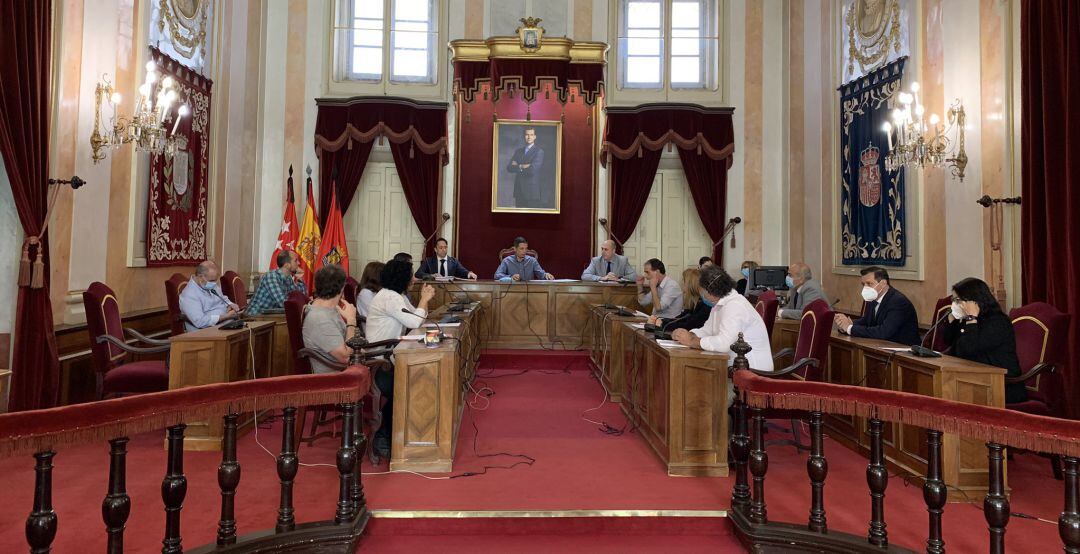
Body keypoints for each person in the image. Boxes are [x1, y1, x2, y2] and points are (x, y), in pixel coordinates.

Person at [365, 259, 436, 458]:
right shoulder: (389, 298)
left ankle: (404, 432)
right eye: (411, 275)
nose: (414, 278)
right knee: (409, 385)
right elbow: (415, 321)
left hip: (390, 357)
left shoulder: (397, 296)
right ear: (402, 278)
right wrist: (424, 298)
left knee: (416, 380)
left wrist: (424, 301)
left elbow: (418, 318)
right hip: (378, 363)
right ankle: (383, 435)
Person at [672, 265, 774, 375]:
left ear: (710, 291)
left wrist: (692, 341)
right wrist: (688, 334)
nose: (702, 296)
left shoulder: (735, 305)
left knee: (693, 372)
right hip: (736, 366)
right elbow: (708, 330)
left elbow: (725, 344)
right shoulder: (719, 303)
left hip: (752, 371)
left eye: (702, 292)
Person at [943, 277, 1026, 403]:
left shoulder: (997, 322)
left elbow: (969, 349)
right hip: (973, 379)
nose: (955, 304)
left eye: (958, 300)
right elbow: (952, 345)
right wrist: (952, 320)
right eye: (953, 300)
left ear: (975, 301)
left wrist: (971, 318)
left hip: (1002, 386)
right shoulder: (969, 321)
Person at [834, 266, 920, 345]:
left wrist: (850, 328)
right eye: (863, 284)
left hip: (904, 351)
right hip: (882, 346)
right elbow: (867, 322)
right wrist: (846, 324)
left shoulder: (898, 302)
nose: (865, 288)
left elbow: (884, 332)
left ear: (883, 283)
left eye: (869, 284)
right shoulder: (872, 299)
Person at [179, 260, 240, 331]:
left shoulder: (209, 284)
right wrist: (226, 316)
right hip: (206, 332)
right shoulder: (189, 294)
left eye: (216, 280)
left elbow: (223, 298)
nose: (214, 283)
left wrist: (230, 305)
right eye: (211, 280)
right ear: (200, 277)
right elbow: (200, 322)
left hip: (224, 323)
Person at [246, 250, 306, 315]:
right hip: (255, 317)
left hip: (269, 316)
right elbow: (283, 303)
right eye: (295, 260)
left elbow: (301, 297)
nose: (299, 263)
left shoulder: (288, 278)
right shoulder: (271, 276)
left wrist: (300, 279)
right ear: (287, 265)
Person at [506, 127, 545, 208]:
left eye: (531, 135)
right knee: (518, 219)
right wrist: (522, 166)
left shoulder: (539, 151)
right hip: (519, 191)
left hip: (531, 193)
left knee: (531, 219)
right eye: (527, 134)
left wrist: (517, 166)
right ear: (524, 136)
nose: (529, 137)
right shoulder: (518, 151)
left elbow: (532, 170)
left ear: (535, 136)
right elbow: (509, 168)